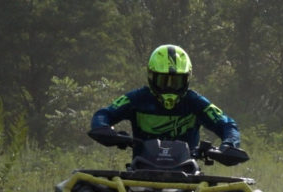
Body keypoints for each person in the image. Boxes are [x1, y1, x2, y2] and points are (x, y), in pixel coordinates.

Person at [90, 44, 241, 155]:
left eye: (176, 82)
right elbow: (104, 114)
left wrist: (229, 144)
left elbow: (227, 124)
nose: (169, 88)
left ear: (187, 79)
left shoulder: (195, 102)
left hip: (189, 175)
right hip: (140, 170)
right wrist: (104, 129)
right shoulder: (138, 98)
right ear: (151, 77)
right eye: (163, 81)